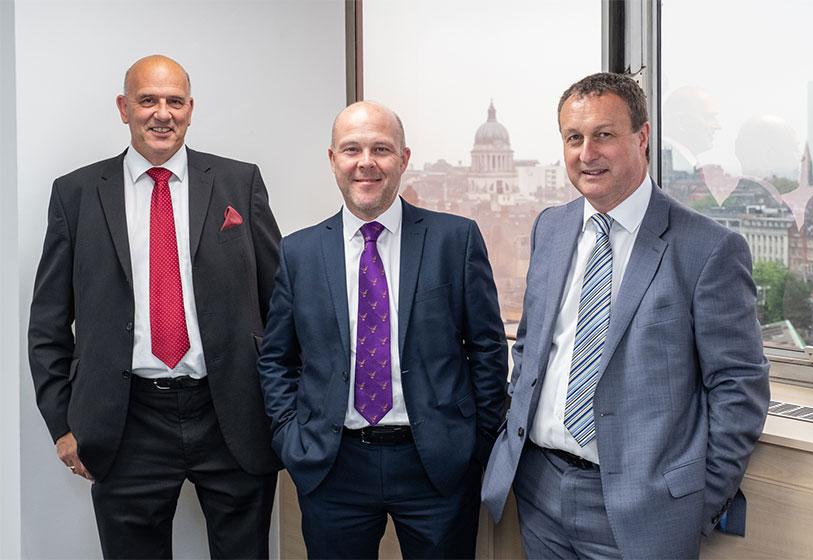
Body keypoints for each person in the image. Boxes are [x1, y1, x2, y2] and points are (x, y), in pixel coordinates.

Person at [481, 72, 770, 559]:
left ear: (643, 136)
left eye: (604, 135)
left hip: (641, 511)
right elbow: (531, 346)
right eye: (574, 138)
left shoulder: (708, 249)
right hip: (539, 489)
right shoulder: (551, 228)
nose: (586, 153)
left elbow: (739, 387)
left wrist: (696, 501)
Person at [28, 54, 281, 559]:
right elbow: (49, 323)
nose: (161, 113)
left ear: (190, 109)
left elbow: (279, 307)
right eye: (147, 100)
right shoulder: (76, 194)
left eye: (174, 101)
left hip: (231, 411)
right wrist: (62, 424)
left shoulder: (239, 183)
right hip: (126, 421)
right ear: (124, 108)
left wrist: (285, 409)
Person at [258, 100, 508, 559]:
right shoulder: (300, 253)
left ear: (404, 159)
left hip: (435, 464)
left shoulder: (456, 239)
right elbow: (278, 357)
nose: (366, 162)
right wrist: (291, 436)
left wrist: (477, 443)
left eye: (381, 149)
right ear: (333, 160)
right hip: (333, 465)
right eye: (351, 149)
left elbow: (488, 348)